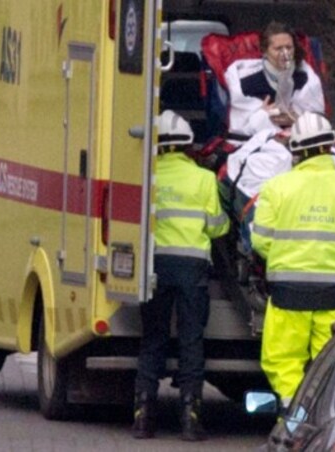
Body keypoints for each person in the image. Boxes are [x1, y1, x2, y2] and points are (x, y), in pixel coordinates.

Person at [250, 112, 335, 406]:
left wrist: (288, 258)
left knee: (283, 361)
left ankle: (293, 417)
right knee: (333, 364)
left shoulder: (275, 188)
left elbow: (260, 241)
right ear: (331, 145)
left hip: (287, 296)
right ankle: (322, 416)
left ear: (295, 150)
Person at [132, 111, 229, 441]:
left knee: (154, 338)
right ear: (189, 145)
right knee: (191, 341)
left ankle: (143, 417)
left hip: (156, 265)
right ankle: (190, 419)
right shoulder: (203, 179)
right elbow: (217, 227)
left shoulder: (149, 176)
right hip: (192, 270)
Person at [224, 21, 325, 143]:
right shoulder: (246, 84)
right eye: (278, 48)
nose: (285, 53)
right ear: (264, 51)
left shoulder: (306, 80)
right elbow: (239, 129)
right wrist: (262, 116)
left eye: (289, 47)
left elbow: (320, 124)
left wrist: (296, 120)